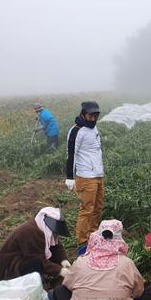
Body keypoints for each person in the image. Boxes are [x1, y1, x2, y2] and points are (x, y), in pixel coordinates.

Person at [49, 220, 151, 300]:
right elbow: (138, 292)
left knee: (60, 290)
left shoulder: (81, 262)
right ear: (119, 238)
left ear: (97, 236)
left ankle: (55, 298)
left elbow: (68, 285)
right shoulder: (127, 264)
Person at [0, 207, 70, 286]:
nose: (55, 235)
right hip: (8, 271)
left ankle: (42, 278)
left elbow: (55, 245)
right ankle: (34, 285)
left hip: (24, 261)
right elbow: (38, 259)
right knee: (35, 263)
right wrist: (59, 271)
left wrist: (63, 260)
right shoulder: (29, 232)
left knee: (48, 257)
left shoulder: (44, 231)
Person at [66, 101, 104, 255]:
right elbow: (71, 154)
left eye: (96, 115)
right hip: (85, 176)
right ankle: (82, 242)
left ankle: (93, 235)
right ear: (83, 113)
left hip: (98, 175)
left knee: (98, 206)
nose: (93, 118)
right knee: (87, 209)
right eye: (90, 115)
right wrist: (70, 177)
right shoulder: (77, 131)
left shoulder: (93, 128)